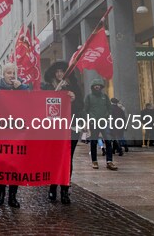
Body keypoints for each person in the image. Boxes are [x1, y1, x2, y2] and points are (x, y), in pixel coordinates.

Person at [41, 60, 83, 204]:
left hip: (71, 127)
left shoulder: (74, 87)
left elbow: (80, 107)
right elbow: (42, 105)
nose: (59, 74)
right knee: (55, 158)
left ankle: (65, 188)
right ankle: (53, 187)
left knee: (67, 158)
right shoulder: (48, 87)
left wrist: (74, 99)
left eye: (62, 71)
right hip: (54, 129)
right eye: (57, 71)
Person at [0, 63, 29, 208]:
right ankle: (1, 192)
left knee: (16, 164)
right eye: (8, 73)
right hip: (2, 131)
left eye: (13, 73)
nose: (11, 76)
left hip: (17, 131)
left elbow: (31, 99)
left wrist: (20, 87)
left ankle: (13, 196)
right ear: (3, 75)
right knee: (2, 163)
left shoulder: (23, 88)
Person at [84, 78, 118, 171]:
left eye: (99, 85)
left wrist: (107, 116)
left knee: (108, 141)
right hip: (93, 123)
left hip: (104, 122)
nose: (97, 87)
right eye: (95, 85)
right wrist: (89, 119)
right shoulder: (89, 97)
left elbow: (109, 108)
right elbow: (85, 109)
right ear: (93, 87)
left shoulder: (105, 96)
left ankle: (109, 161)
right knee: (94, 142)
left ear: (101, 87)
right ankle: (94, 161)